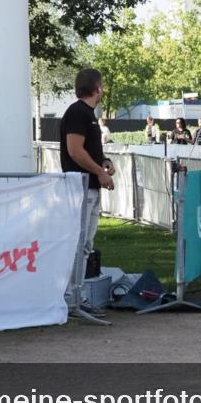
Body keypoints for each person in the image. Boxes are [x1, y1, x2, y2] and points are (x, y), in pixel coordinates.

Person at [60, 68, 115, 317]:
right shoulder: (77, 112)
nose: (103, 89)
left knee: (85, 244)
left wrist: (104, 162)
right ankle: (70, 297)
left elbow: (89, 151)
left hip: (90, 187)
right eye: (102, 85)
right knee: (78, 242)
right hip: (80, 188)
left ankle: (76, 295)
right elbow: (75, 150)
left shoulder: (88, 114)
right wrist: (100, 172)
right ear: (97, 88)